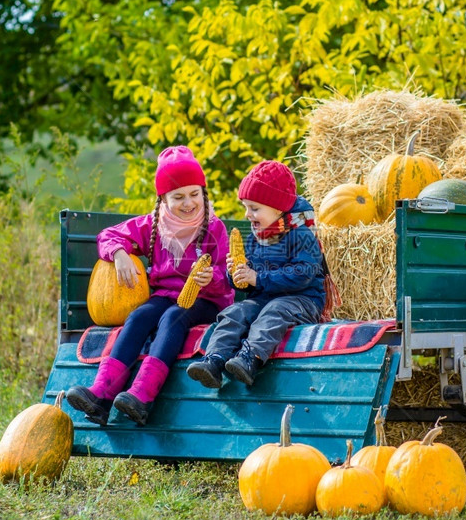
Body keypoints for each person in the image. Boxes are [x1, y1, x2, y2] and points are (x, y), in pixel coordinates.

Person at [66, 146, 234, 426]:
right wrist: (119, 254)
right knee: (139, 316)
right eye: (178, 196)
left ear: (203, 193)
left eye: (194, 194)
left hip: (207, 300)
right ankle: (102, 395)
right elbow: (108, 235)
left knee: (172, 317)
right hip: (166, 295)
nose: (188, 203)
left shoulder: (213, 227)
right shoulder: (153, 225)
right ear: (163, 199)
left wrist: (210, 279)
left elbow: (225, 277)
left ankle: (143, 396)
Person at [186, 160, 337, 388]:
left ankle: (250, 358)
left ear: (278, 208)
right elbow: (250, 283)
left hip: (302, 300)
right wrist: (237, 276)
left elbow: (302, 274)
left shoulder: (302, 235)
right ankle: (214, 359)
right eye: (246, 207)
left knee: (274, 312)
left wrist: (257, 278)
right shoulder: (256, 238)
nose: (248, 214)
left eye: (254, 208)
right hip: (264, 298)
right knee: (236, 311)